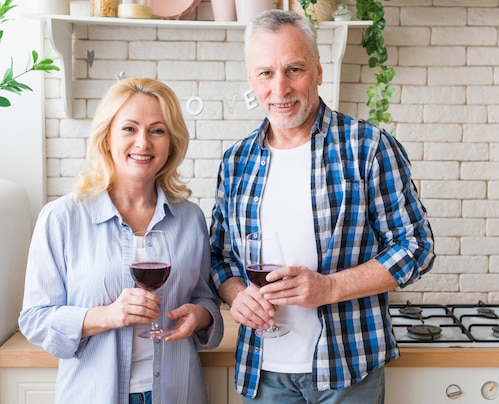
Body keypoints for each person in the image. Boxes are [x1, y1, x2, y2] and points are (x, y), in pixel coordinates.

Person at [209, 9, 435, 403]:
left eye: (294, 69)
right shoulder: (236, 160)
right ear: (251, 79)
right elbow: (220, 256)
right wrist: (236, 295)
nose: (280, 88)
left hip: (348, 368)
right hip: (263, 372)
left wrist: (329, 287)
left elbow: (416, 247)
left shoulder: (368, 147)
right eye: (266, 73)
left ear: (318, 70)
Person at [18, 77, 224, 404]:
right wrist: (108, 315)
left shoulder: (190, 218)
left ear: (171, 142)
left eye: (157, 130)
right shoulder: (62, 218)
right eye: (129, 128)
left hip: (178, 393)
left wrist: (200, 316)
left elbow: (205, 299)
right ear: (107, 137)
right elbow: (35, 319)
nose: (143, 143)